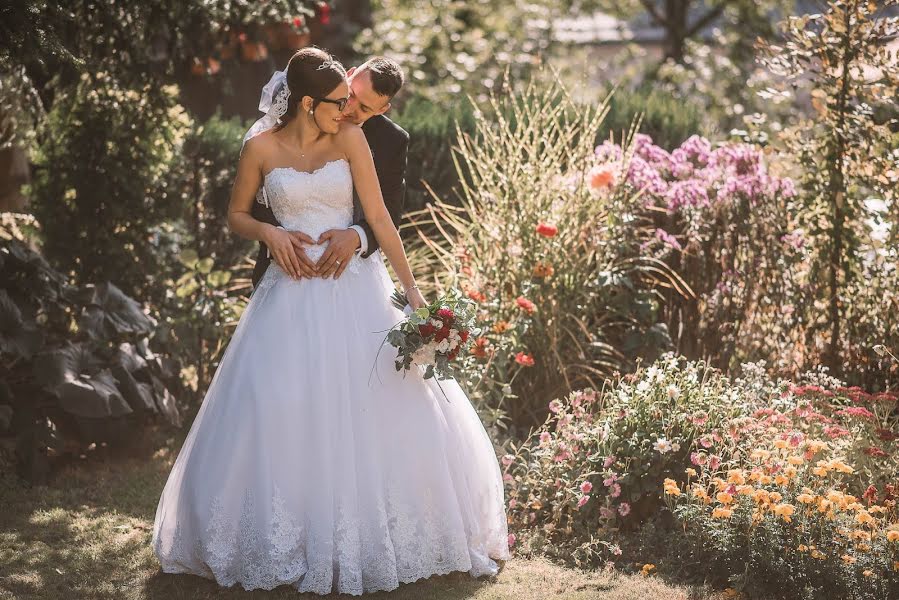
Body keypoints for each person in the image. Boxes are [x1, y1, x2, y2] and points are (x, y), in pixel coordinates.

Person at [151, 47, 510, 596]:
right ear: (307, 102)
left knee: (374, 404)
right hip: (287, 295)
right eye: (339, 103)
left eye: (352, 103)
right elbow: (237, 214)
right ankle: (284, 534)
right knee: (278, 405)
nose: (348, 112)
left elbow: (383, 217)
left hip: (354, 293)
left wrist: (414, 296)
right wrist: (269, 234)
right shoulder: (259, 147)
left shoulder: (350, 139)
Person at [250, 55, 409, 286]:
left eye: (364, 108)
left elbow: (388, 214)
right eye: (351, 94)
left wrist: (357, 236)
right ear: (349, 74)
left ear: (382, 109)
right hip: (285, 267)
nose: (348, 108)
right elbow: (259, 189)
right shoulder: (298, 109)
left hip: (350, 273)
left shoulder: (391, 141)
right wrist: (273, 234)